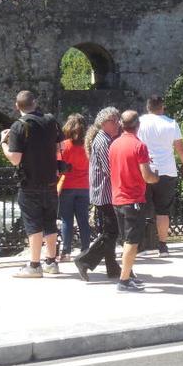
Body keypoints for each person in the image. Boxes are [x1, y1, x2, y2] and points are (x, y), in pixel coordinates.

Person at [0, 90, 64, 278]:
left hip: (30, 183)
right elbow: (59, 148)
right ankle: (51, 262)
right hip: (51, 181)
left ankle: (34, 265)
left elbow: (15, 159)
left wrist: (3, 143)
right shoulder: (51, 120)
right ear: (35, 103)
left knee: (34, 224)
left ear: (16, 106)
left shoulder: (19, 127)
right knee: (50, 222)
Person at [109, 110, 159, 292]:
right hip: (134, 199)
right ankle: (123, 281)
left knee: (125, 239)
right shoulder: (139, 146)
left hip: (117, 198)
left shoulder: (114, 144)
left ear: (122, 125)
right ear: (138, 125)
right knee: (132, 241)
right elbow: (148, 177)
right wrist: (156, 176)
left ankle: (128, 275)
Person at [136, 95, 183, 258]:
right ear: (162, 106)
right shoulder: (171, 124)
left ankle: (138, 245)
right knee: (163, 211)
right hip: (167, 170)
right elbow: (181, 149)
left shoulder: (140, 122)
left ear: (148, 107)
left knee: (139, 209)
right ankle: (163, 246)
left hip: (145, 169)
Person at [75, 107, 123, 280]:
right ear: (105, 123)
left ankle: (112, 267)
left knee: (110, 231)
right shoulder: (103, 141)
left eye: (118, 119)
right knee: (111, 232)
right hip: (105, 193)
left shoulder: (106, 139)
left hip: (105, 193)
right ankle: (85, 260)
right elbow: (109, 169)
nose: (118, 123)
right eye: (115, 120)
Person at [57, 114, 91, 261]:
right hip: (84, 186)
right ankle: (86, 250)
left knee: (67, 220)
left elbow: (58, 168)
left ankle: (66, 252)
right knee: (83, 220)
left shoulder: (63, 146)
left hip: (67, 186)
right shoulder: (88, 147)